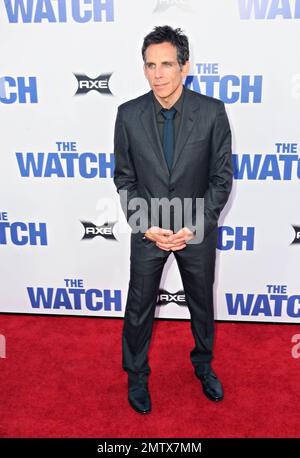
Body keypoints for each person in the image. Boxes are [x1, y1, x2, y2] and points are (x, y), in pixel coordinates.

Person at [113, 25, 233, 414]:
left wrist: (195, 225)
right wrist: (144, 224)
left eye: (167, 64)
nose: (158, 74)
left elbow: (220, 178)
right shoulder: (128, 115)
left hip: (194, 231)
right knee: (138, 307)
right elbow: (124, 177)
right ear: (143, 69)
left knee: (201, 304)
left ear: (185, 66)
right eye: (150, 65)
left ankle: (203, 365)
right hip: (148, 229)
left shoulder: (212, 112)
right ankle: (136, 375)